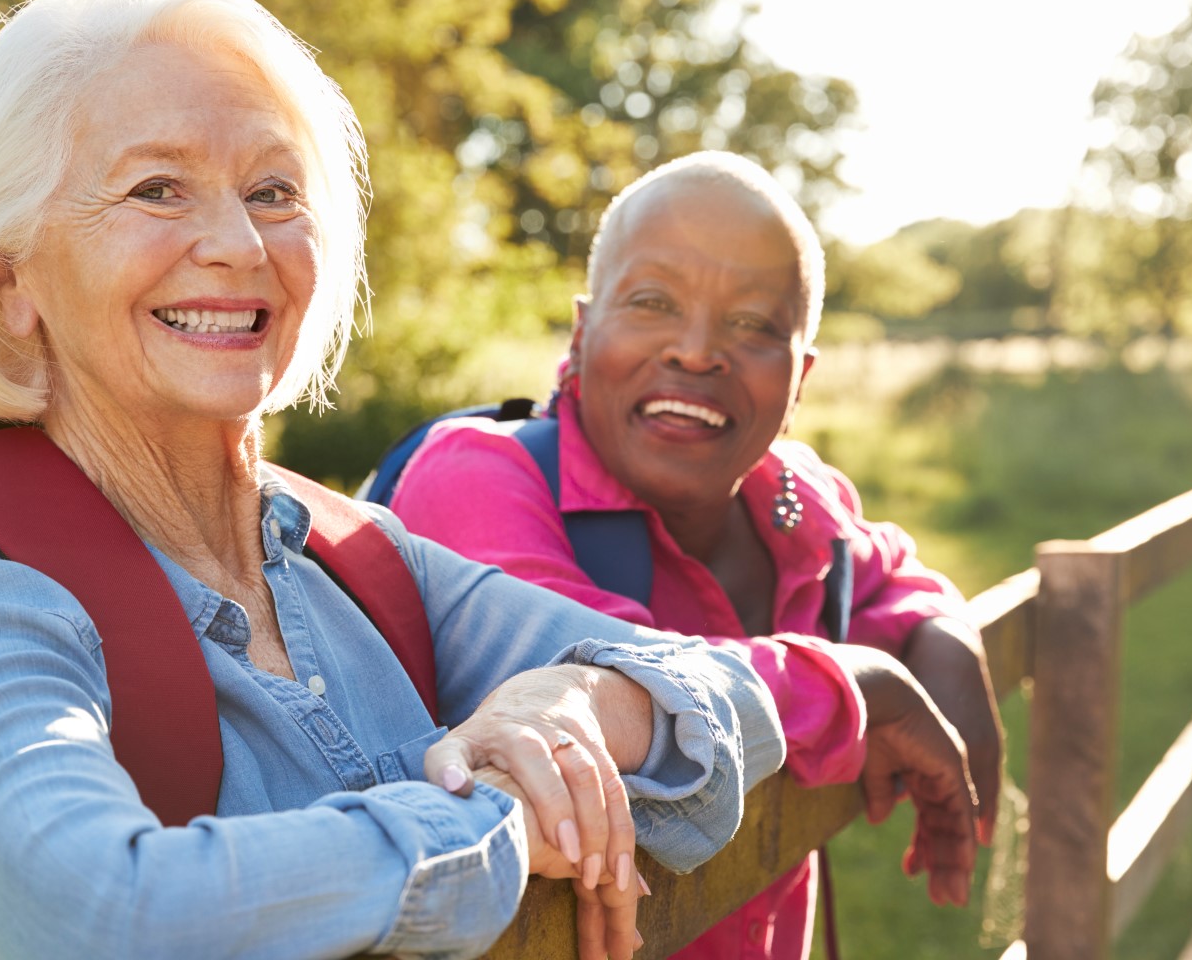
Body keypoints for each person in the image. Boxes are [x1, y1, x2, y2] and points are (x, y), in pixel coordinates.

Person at [0, 0, 787, 960]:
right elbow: (102, 914)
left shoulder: (366, 561)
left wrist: (564, 706)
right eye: (157, 188)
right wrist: (501, 821)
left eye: (272, 190)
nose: (238, 242)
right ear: (10, 283)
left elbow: (733, 698)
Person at [391, 151, 1003, 960]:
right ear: (583, 329)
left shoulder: (793, 501)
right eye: (651, 302)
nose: (697, 350)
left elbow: (888, 575)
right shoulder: (477, 479)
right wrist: (863, 684)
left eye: (753, 324)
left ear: (801, 378)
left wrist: (946, 640)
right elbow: (625, 695)